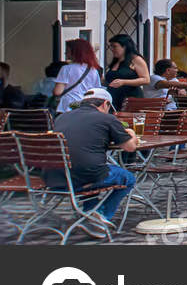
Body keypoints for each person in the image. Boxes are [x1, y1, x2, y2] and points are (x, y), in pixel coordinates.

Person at [47, 88, 139, 237]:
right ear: (105, 104)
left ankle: (89, 214)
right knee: (128, 178)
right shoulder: (107, 119)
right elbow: (130, 147)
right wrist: (133, 134)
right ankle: (101, 216)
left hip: (55, 179)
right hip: (84, 178)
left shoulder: (62, 117)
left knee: (89, 167)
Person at [103, 34, 151, 110]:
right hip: (113, 98)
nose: (112, 49)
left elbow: (146, 79)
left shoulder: (136, 59)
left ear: (124, 47)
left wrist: (124, 82)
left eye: (115, 46)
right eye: (111, 46)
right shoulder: (116, 61)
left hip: (130, 99)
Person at [53, 39, 102, 112]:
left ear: (75, 52)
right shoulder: (93, 70)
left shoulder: (66, 69)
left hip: (69, 105)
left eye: (68, 50)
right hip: (85, 105)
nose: (65, 53)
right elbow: (96, 91)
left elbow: (58, 91)